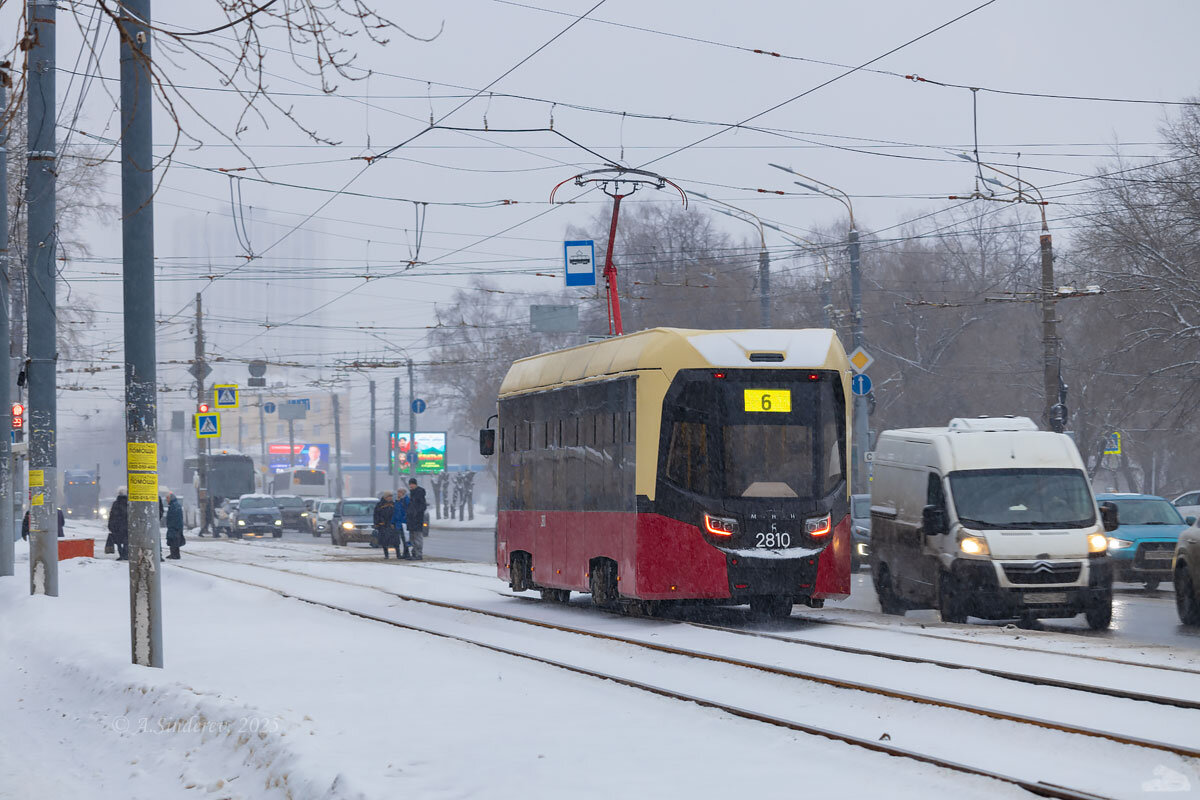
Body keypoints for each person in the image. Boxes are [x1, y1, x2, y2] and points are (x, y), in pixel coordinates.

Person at [406, 478, 427, 560]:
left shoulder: (419, 493)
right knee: (412, 538)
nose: (410, 485)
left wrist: (415, 513)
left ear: (415, 484)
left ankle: (418, 554)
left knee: (417, 537)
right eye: (410, 484)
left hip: (417, 519)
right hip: (411, 519)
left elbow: (422, 506)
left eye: (412, 484)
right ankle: (414, 553)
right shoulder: (412, 493)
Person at [374, 491, 399, 559]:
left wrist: (395, 522)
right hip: (383, 525)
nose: (390, 498)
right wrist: (378, 523)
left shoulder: (393, 504)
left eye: (391, 496)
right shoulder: (380, 505)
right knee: (385, 541)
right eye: (388, 496)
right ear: (385, 497)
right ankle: (386, 555)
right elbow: (376, 515)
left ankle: (398, 554)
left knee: (396, 541)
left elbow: (397, 514)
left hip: (392, 525)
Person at [108, 489, 130, 561]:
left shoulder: (116, 503)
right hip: (126, 526)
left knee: (118, 542)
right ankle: (125, 554)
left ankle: (121, 555)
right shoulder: (129, 503)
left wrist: (110, 525)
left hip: (117, 526)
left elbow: (112, 515)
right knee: (126, 541)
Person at [165, 492, 185, 560]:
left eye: (167, 498)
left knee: (173, 540)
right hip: (174, 527)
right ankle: (174, 554)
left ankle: (175, 555)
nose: (166, 500)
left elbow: (176, 518)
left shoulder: (174, 505)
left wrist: (173, 526)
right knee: (173, 540)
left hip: (174, 527)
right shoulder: (174, 505)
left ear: (171, 498)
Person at [392, 487, 410, 559]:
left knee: (405, 539)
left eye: (399, 492)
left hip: (404, 523)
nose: (398, 494)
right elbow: (395, 512)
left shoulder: (406, 500)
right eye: (398, 492)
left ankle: (407, 553)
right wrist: (392, 522)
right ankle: (400, 553)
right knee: (397, 539)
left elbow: (408, 510)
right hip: (397, 523)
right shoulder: (397, 501)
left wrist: (406, 519)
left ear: (403, 493)